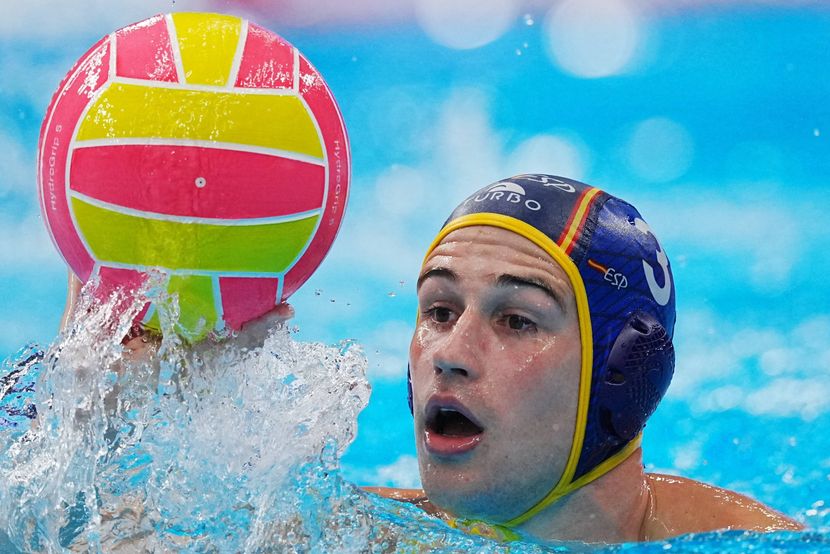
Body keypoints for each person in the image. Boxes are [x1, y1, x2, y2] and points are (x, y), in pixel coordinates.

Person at [366, 174, 802, 543]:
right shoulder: (354, 531)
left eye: (517, 321)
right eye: (440, 312)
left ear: (624, 375)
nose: (449, 353)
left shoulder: (752, 544)